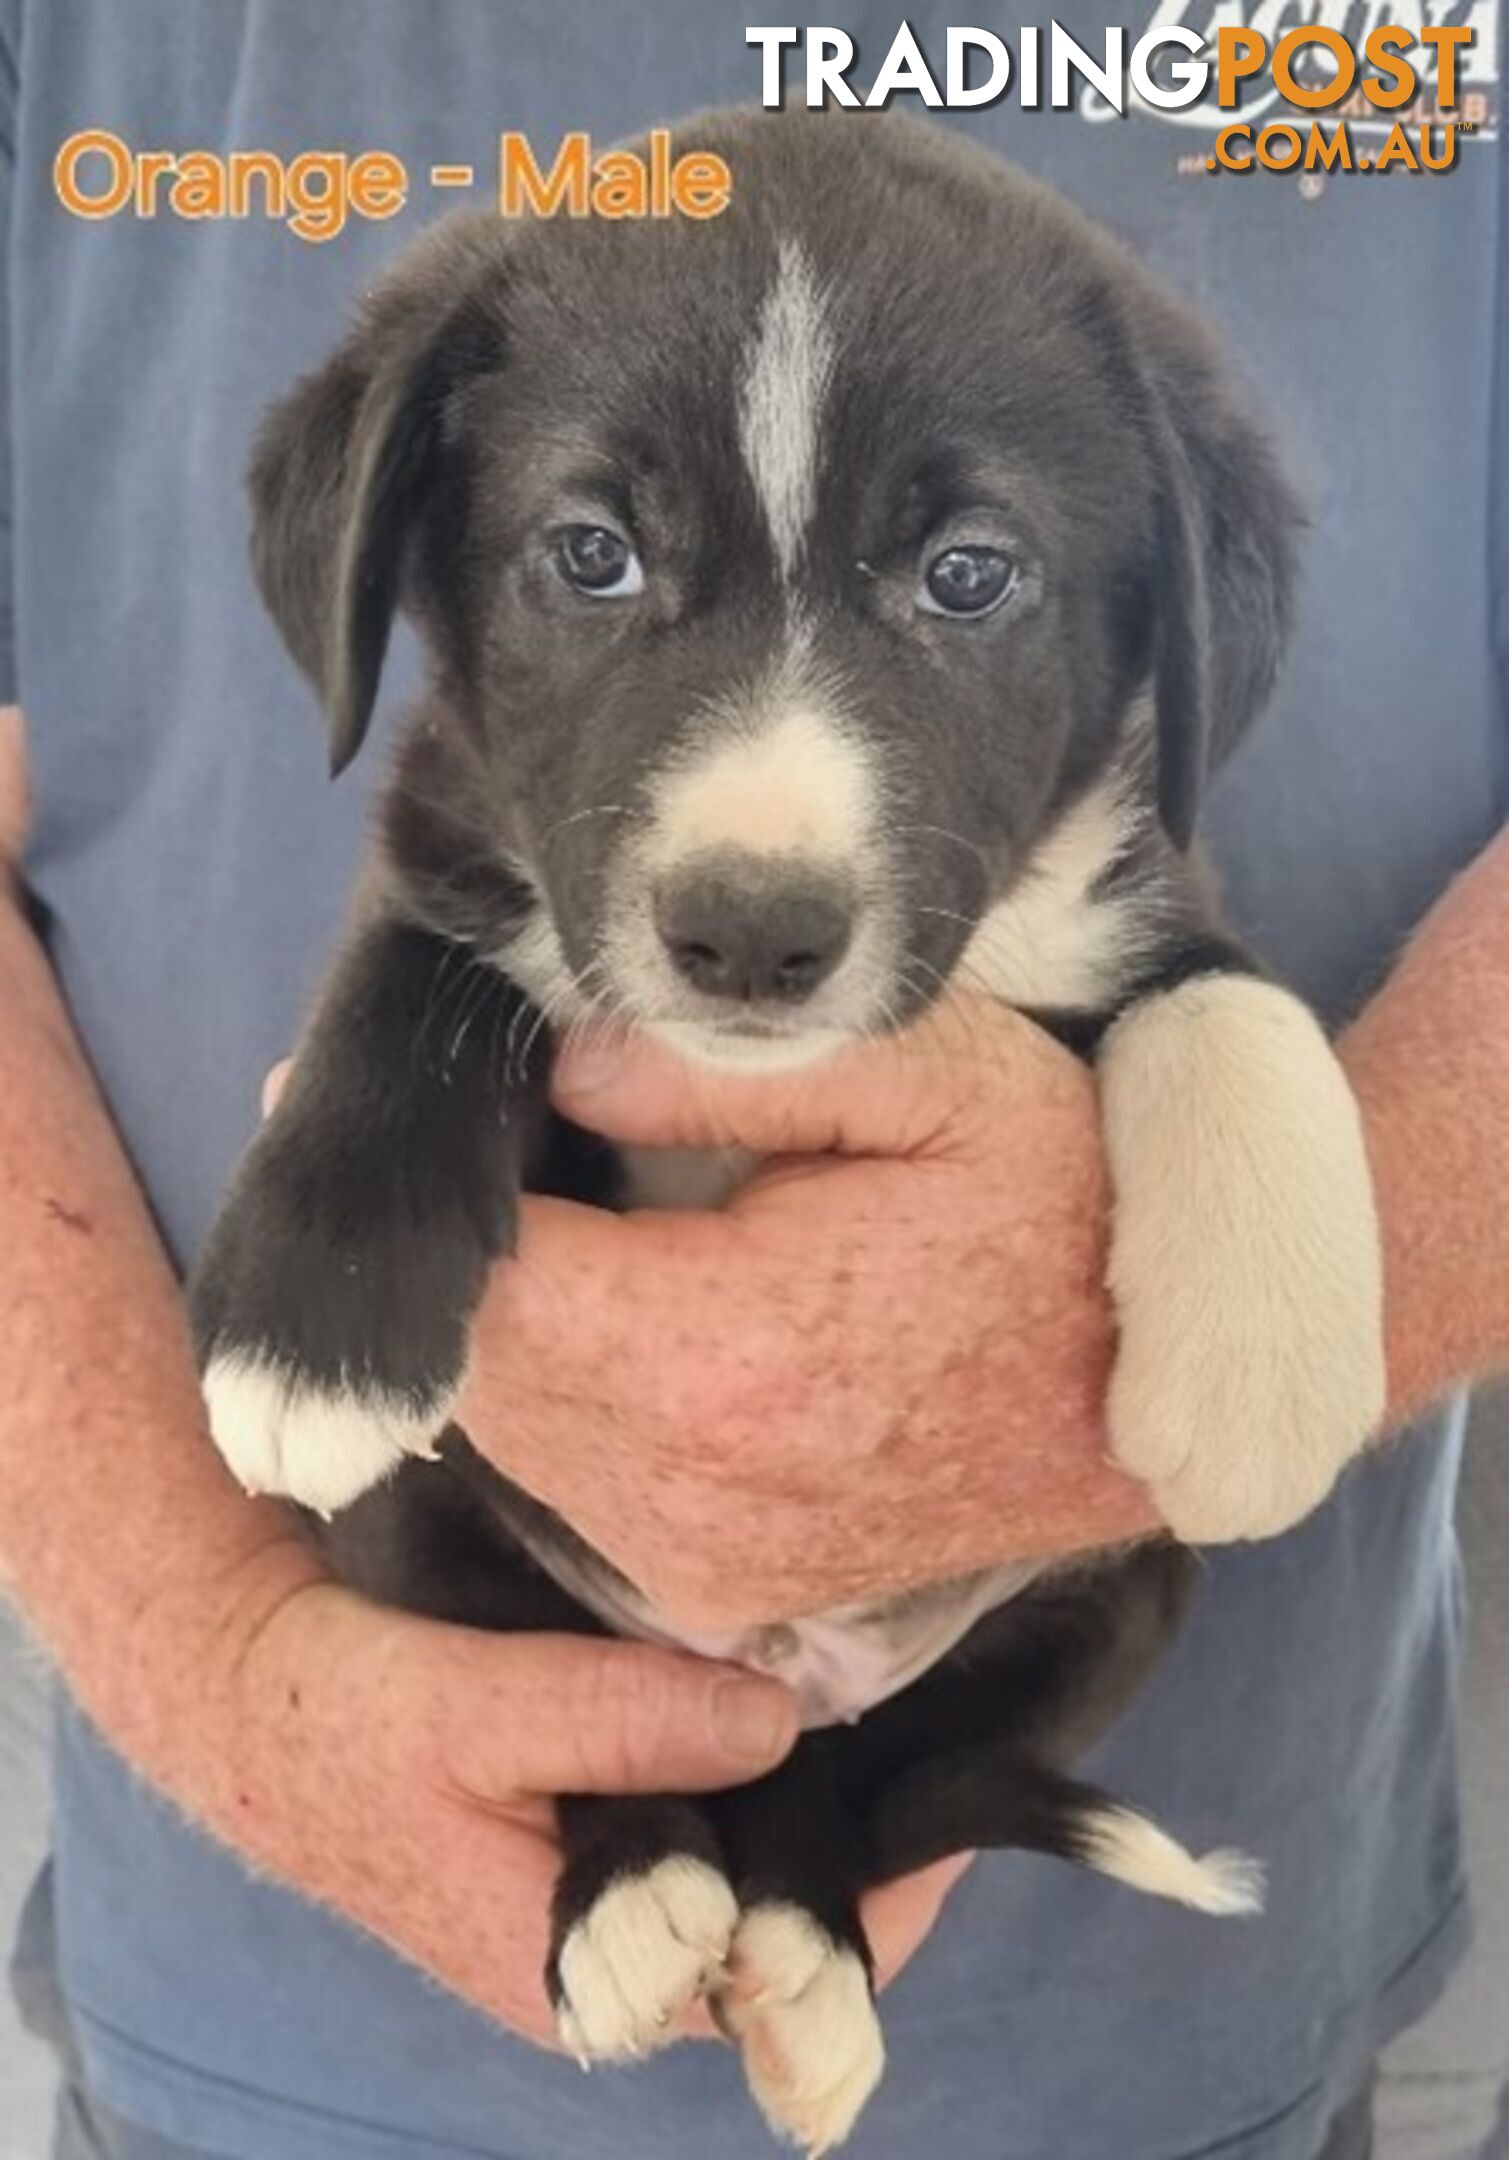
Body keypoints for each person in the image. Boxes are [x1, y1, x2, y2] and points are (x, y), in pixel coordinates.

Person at [1, 4, 1505, 2156]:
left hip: (1179, 2047)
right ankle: (677, 1846)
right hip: (268, 2003)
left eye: (964, 578)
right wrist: (222, 1652)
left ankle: (832, 1831)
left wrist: (1369, 1236)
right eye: (590, 558)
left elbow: (1183, 1003)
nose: (761, 831)